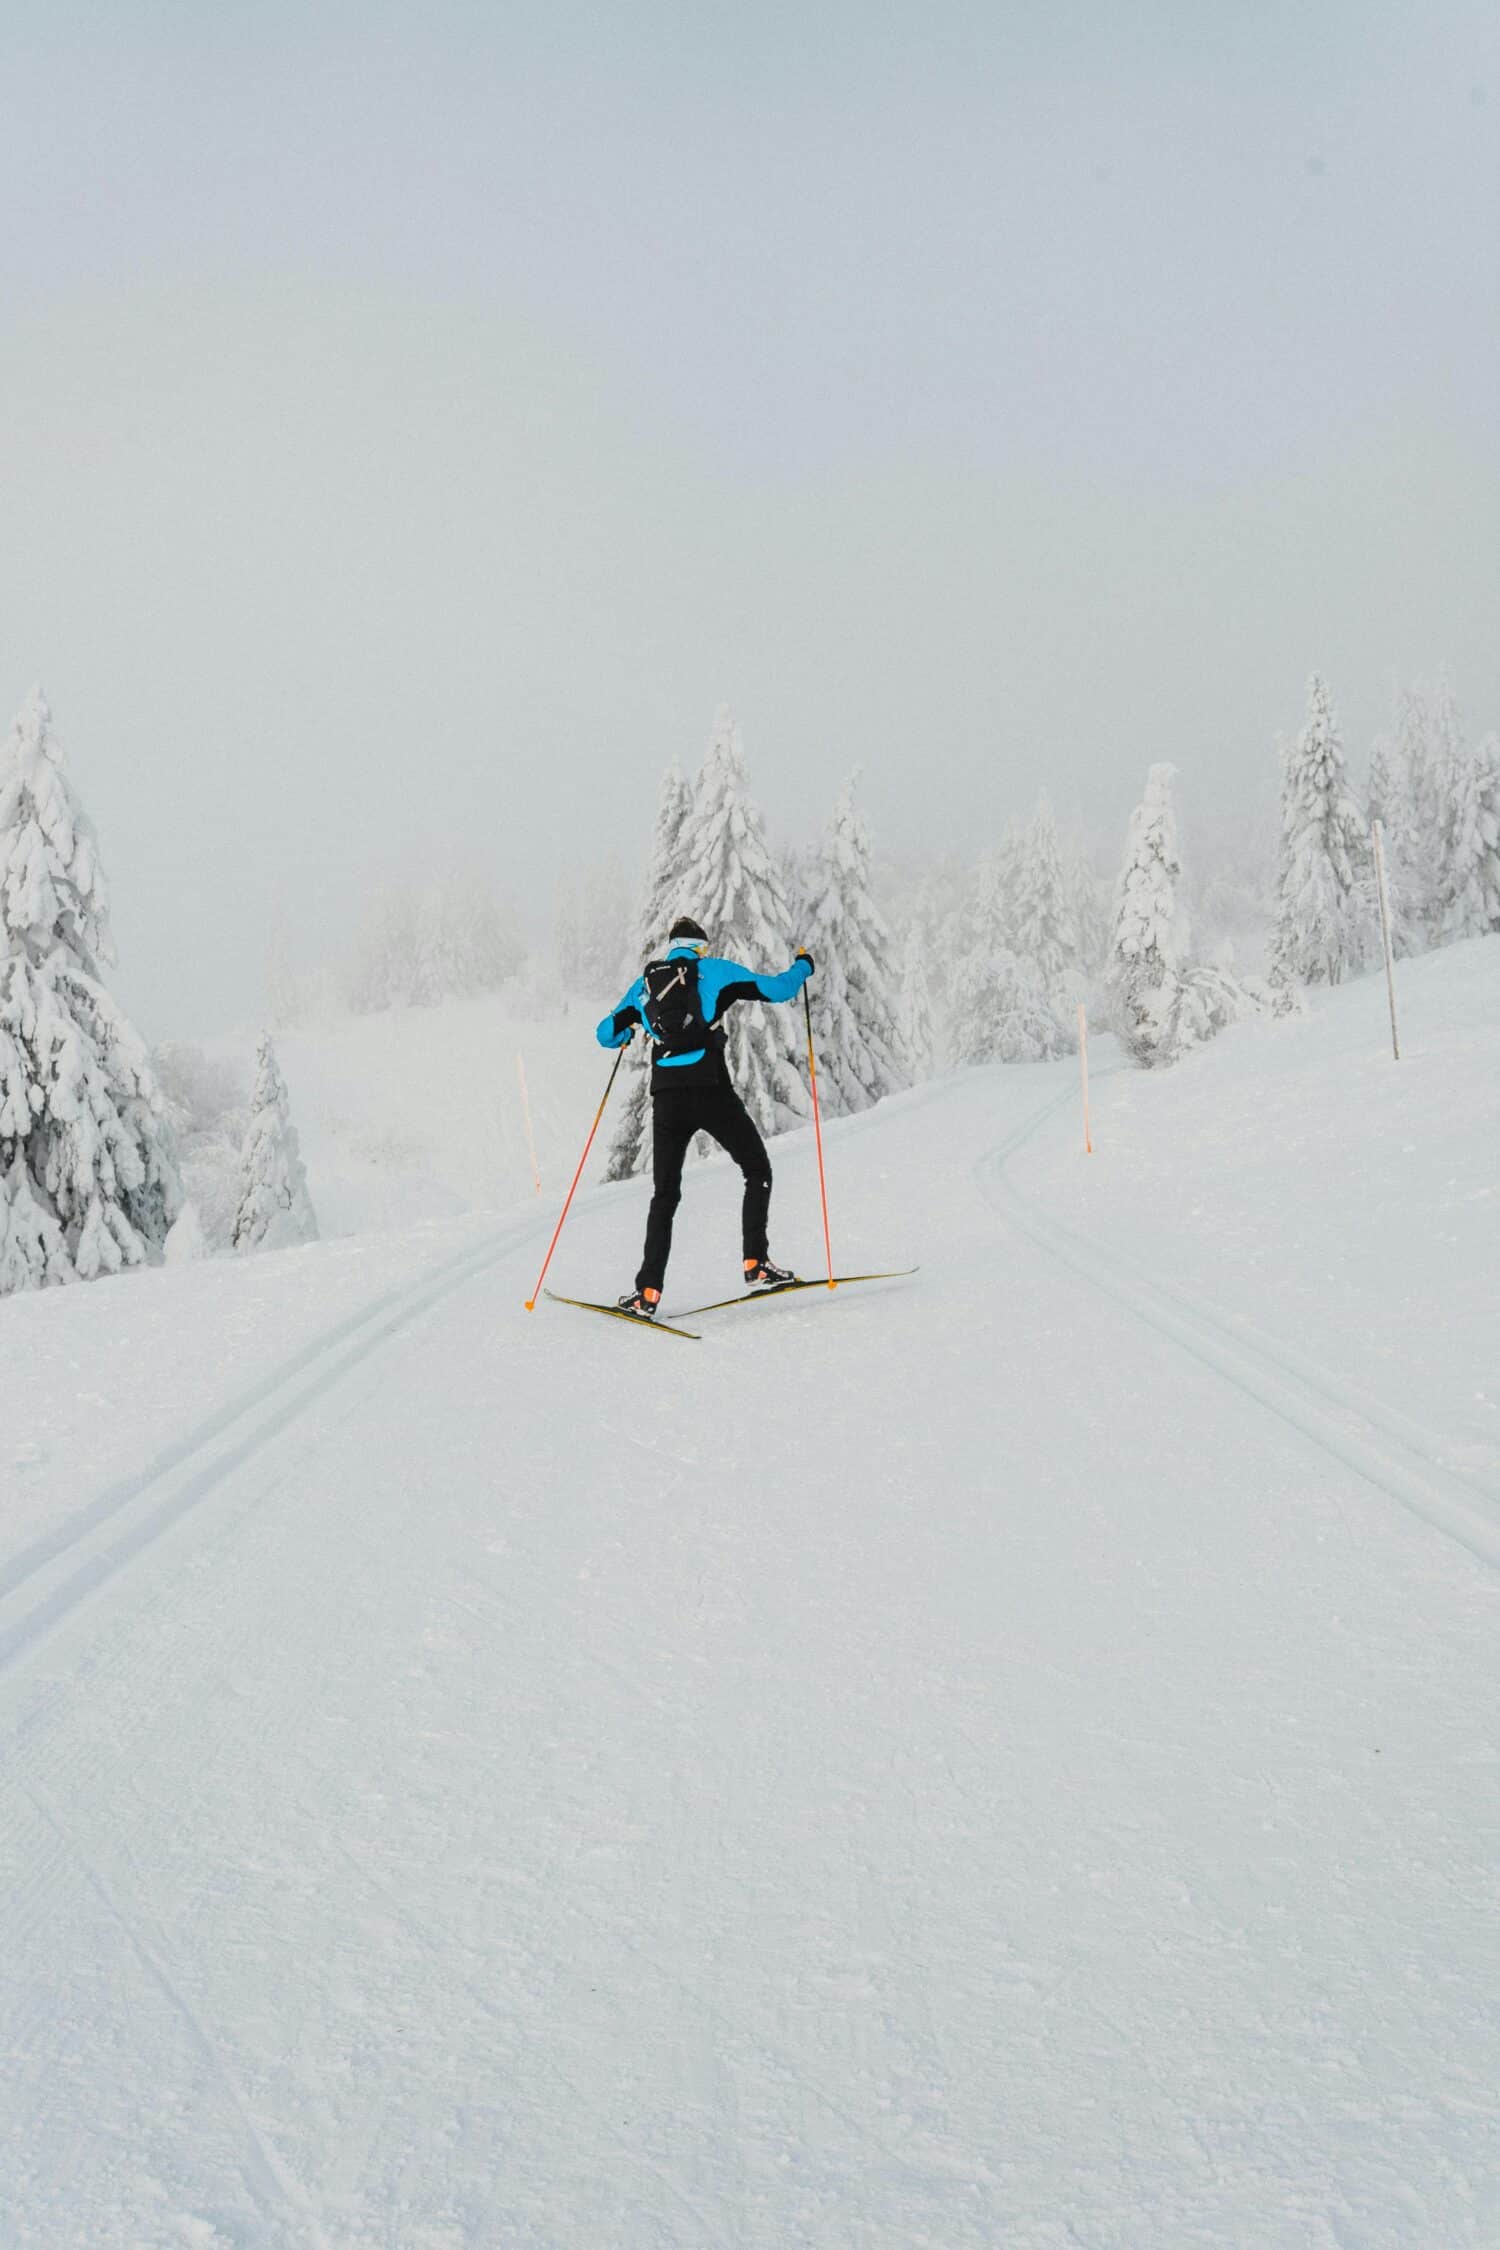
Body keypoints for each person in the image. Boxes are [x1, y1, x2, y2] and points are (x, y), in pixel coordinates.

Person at [596, 916, 814, 1318]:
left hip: (666, 1100)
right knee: (756, 1168)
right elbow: (779, 989)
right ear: (699, 947)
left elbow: (604, 1033)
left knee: (665, 1195)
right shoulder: (713, 971)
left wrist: (627, 1033)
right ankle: (756, 1264)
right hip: (710, 1090)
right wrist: (804, 965)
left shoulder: (645, 986)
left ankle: (647, 1292)